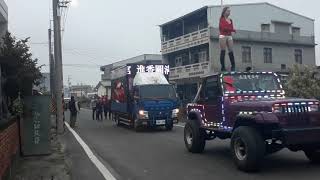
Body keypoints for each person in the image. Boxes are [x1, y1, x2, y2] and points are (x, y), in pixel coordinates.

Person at [219, 6, 236, 72]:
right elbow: (223, 28)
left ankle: (233, 66)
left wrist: (232, 29)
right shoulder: (221, 19)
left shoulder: (230, 20)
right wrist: (232, 30)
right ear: (224, 12)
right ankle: (223, 67)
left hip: (229, 35)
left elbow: (231, 27)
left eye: (229, 11)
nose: (229, 12)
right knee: (223, 51)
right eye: (228, 11)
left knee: (231, 50)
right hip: (223, 35)